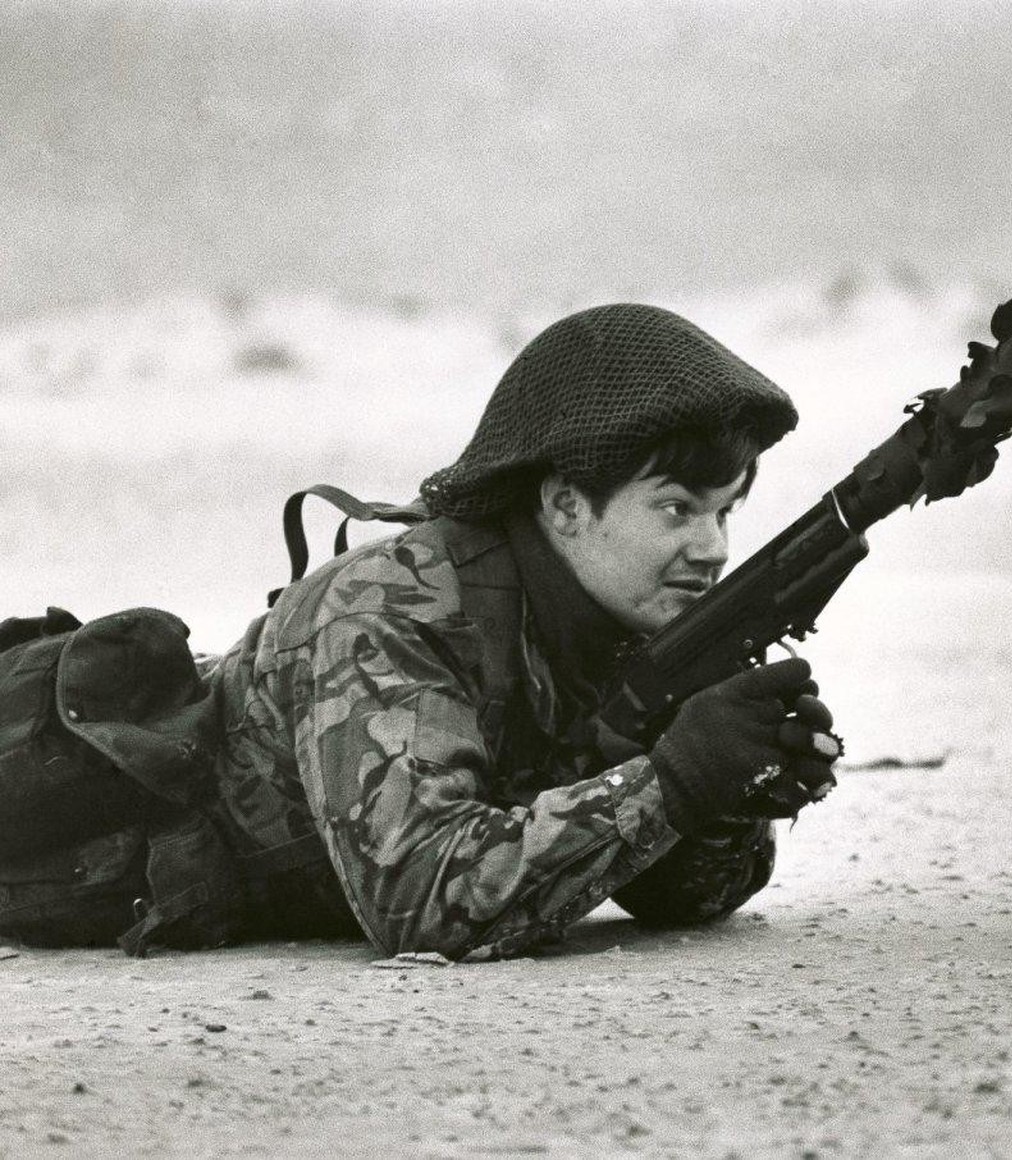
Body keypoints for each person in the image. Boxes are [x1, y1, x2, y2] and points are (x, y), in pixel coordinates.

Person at [0, 304, 841, 960]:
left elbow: (674, 901)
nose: (713, 548)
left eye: (726, 511)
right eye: (677, 509)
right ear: (563, 505)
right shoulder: (390, 608)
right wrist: (675, 781)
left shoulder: (615, 615)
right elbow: (424, 902)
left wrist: (729, 795)